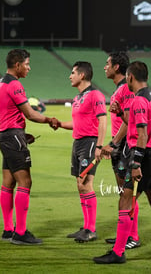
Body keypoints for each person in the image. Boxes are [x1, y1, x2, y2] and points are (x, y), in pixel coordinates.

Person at [93, 61, 151, 264]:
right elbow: (136, 124)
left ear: (131, 77)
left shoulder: (139, 100)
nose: (127, 82)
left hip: (142, 156)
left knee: (125, 200)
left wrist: (135, 164)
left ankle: (118, 252)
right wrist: (120, 113)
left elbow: (141, 134)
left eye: (127, 78)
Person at [0, 49, 58, 245]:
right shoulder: (15, 84)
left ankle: (7, 230)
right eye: (27, 64)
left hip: (5, 136)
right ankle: (20, 233)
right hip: (13, 137)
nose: (29, 68)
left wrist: (19, 132)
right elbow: (31, 114)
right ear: (17, 65)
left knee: (8, 182)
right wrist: (49, 119)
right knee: (25, 182)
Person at [56, 61, 107, 243]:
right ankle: (86, 227)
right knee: (80, 184)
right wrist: (60, 124)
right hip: (77, 143)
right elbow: (77, 124)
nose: (70, 76)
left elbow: (102, 120)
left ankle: (91, 229)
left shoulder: (96, 95)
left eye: (73, 73)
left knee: (86, 184)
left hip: (90, 143)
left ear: (82, 75)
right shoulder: (77, 98)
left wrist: (100, 146)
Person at [101, 51, 140, 249]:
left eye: (107, 63)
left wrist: (114, 143)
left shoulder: (126, 88)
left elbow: (130, 120)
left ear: (117, 67)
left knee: (127, 193)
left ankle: (132, 237)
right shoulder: (120, 88)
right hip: (120, 144)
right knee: (123, 193)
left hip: (125, 145)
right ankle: (124, 234)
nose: (105, 67)